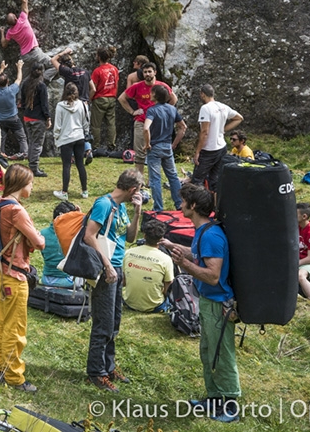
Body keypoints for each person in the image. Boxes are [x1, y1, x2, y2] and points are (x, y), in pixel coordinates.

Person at [160, 184, 241, 423]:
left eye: (183, 200)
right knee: (207, 353)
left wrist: (184, 266)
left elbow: (212, 275)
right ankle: (214, 398)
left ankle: (230, 406)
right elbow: (197, 253)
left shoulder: (212, 236)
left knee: (221, 354)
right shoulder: (203, 231)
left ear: (193, 206)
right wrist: (173, 247)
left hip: (218, 305)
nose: (180, 204)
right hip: (207, 301)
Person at [85, 169, 143, 393]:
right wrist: (108, 266)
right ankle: (96, 372)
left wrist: (137, 211)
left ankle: (108, 367)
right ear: (132, 189)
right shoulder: (104, 204)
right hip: (105, 269)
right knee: (104, 323)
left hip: (116, 269)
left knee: (115, 322)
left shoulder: (121, 208)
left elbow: (130, 237)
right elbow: (89, 235)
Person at [0, 164, 46, 392]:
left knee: (5, 323)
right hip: (14, 275)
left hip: (2, 272)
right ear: (21, 184)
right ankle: (14, 377)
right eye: (31, 183)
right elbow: (39, 243)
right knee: (16, 327)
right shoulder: (16, 211)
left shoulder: (0, 204)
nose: (32, 187)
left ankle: (3, 367)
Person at [119, 62, 177, 176]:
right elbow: (122, 98)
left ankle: (152, 179)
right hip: (141, 121)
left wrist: (166, 111)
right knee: (140, 153)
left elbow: (174, 98)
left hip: (157, 124)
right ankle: (139, 180)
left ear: (155, 72)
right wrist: (132, 111)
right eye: (145, 72)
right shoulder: (137, 86)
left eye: (150, 71)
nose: (147, 74)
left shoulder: (162, 86)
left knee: (155, 152)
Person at [0, 0, 56, 81]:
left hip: (25, 56)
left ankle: (20, 96)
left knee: (22, 78)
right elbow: (25, 1)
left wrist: (2, 32)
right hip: (35, 52)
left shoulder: (10, 32)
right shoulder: (22, 19)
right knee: (55, 65)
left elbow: (3, 44)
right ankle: (42, 81)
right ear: (16, 18)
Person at [191, 84, 243, 191]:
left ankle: (198, 205)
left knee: (197, 180)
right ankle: (215, 205)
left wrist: (197, 152)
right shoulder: (222, 106)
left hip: (209, 149)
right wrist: (223, 129)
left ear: (202, 94)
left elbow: (205, 132)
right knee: (215, 179)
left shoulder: (205, 108)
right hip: (221, 147)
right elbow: (239, 118)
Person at [143, 84, 186, 211]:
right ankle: (179, 204)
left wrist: (147, 144)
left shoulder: (152, 110)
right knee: (173, 176)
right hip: (168, 147)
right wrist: (175, 143)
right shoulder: (172, 109)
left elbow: (146, 128)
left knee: (155, 178)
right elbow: (183, 127)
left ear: (156, 95)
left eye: (152, 93)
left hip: (155, 147)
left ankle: (158, 208)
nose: (150, 95)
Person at [51, 48, 94, 163]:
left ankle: (73, 156)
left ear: (64, 65)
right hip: (84, 104)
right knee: (84, 129)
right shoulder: (85, 72)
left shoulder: (68, 72)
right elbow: (93, 88)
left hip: (71, 104)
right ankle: (88, 150)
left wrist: (63, 52)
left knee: (71, 129)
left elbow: (53, 60)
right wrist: (87, 100)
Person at [123, 219, 174, 313]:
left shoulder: (128, 253)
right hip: (155, 306)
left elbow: (124, 282)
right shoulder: (166, 259)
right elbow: (168, 288)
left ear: (144, 236)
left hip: (129, 302)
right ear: (162, 239)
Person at [53, 82, 90, 200]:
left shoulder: (60, 106)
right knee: (80, 164)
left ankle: (64, 192)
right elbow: (85, 121)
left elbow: (58, 124)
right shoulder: (82, 104)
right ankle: (85, 191)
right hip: (79, 137)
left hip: (66, 138)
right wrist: (86, 133)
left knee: (67, 165)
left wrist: (56, 137)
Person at [39, 201, 80, 288]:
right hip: (67, 280)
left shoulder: (42, 233)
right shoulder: (74, 235)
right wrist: (79, 217)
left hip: (46, 278)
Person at [0, 60, 28, 160]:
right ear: (8, 82)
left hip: (1, 119)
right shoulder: (12, 90)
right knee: (22, 137)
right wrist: (19, 67)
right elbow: (19, 79)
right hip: (13, 118)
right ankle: (24, 153)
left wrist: (1, 68)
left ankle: (1, 152)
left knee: (1, 138)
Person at [20, 63, 50, 177]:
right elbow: (44, 104)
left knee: (31, 141)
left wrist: (25, 111)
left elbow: (22, 101)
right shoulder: (41, 86)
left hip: (27, 117)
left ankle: (32, 164)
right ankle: (34, 166)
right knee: (37, 143)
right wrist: (48, 117)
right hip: (38, 118)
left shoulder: (25, 84)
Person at [90, 46, 119, 155]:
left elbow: (94, 88)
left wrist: (89, 98)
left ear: (99, 57)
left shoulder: (97, 71)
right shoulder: (114, 69)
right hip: (111, 97)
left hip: (100, 98)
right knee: (111, 123)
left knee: (96, 125)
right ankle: (111, 146)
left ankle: (96, 146)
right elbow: (116, 83)